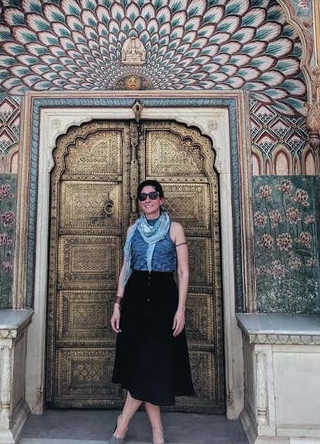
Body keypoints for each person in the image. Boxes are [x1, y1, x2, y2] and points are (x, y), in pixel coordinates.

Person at [109, 180, 194, 444]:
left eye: (153, 195)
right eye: (143, 197)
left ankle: (122, 424)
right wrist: (117, 304)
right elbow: (126, 268)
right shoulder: (133, 230)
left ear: (161, 199)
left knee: (150, 365)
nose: (148, 200)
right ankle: (157, 434)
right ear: (139, 201)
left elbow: (183, 271)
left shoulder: (175, 229)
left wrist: (180, 309)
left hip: (162, 300)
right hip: (135, 300)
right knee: (141, 367)